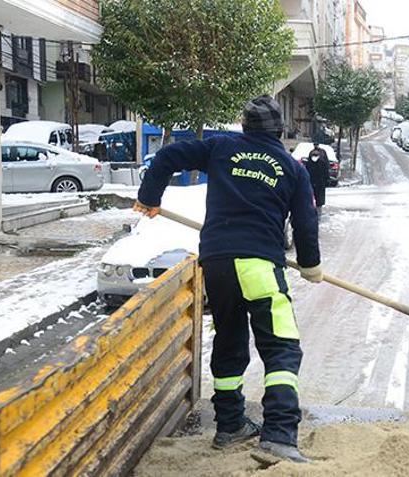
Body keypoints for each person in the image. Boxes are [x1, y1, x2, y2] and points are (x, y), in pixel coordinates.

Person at [133, 95, 321, 464]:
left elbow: (169, 157)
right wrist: (311, 264)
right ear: (279, 131)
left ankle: (230, 424)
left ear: (245, 127)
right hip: (259, 265)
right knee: (281, 346)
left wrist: (149, 197)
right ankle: (280, 435)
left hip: (217, 263)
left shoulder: (221, 147)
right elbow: (305, 222)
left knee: (230, 340)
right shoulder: (291, 167)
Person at [305, 143, 330, 214]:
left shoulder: (321, 156)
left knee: (318, 197)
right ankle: (315, 209)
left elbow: (325, 168)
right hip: (315, 180)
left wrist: (326, 179)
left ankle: (317, 209)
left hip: (318, 181)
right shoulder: (318, 155)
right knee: (315, 196)